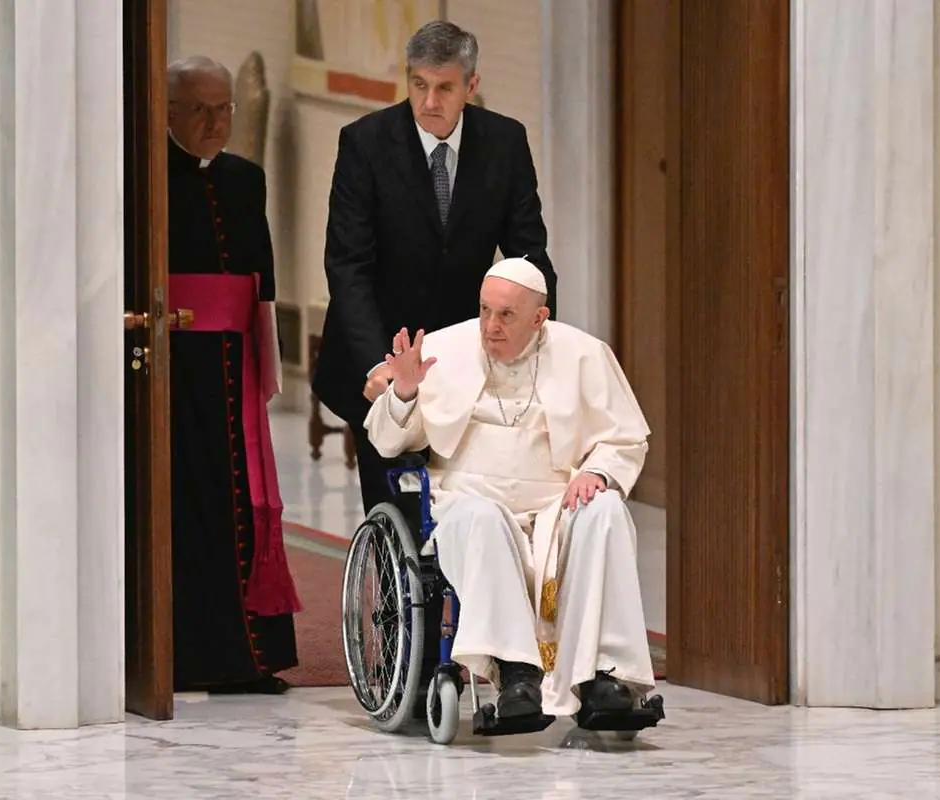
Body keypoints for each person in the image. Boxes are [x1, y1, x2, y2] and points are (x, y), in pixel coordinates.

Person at [363, 257, 655, 719]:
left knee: (606, 511)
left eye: (507, 315)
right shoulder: (444, 349)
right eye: (485, 311)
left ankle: (604, 676)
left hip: (556, 505)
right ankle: (517, 673)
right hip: (469, 499)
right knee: (482, 517)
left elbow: (624, 437)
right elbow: (389, 441)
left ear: (540, 318)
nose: (491, 327)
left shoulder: (584, 354)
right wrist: (404, 392)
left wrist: (597, 472)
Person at [313, 20, 557, 515]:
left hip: (466, 358)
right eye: (419, 85)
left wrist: (533, 336)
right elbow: (348, 266)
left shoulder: (504, 143)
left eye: (444, 87)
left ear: (471, 85)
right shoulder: (365, 144)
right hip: (381, 353)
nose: (429, 101)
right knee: (395, 513)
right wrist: (376, 364)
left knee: (468, 511)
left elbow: (528, 256)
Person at [165, 55, 301, 694]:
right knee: (184, 504)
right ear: (167, 110)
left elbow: (260, 279)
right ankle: (184, 656)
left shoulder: (246, 178)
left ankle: (246, 657)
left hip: (232, 365)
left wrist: (265, 362)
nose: (216, 121)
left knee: (243, 503)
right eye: (200, 108)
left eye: (224, 108)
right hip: (172, 367)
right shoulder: (146, 175)